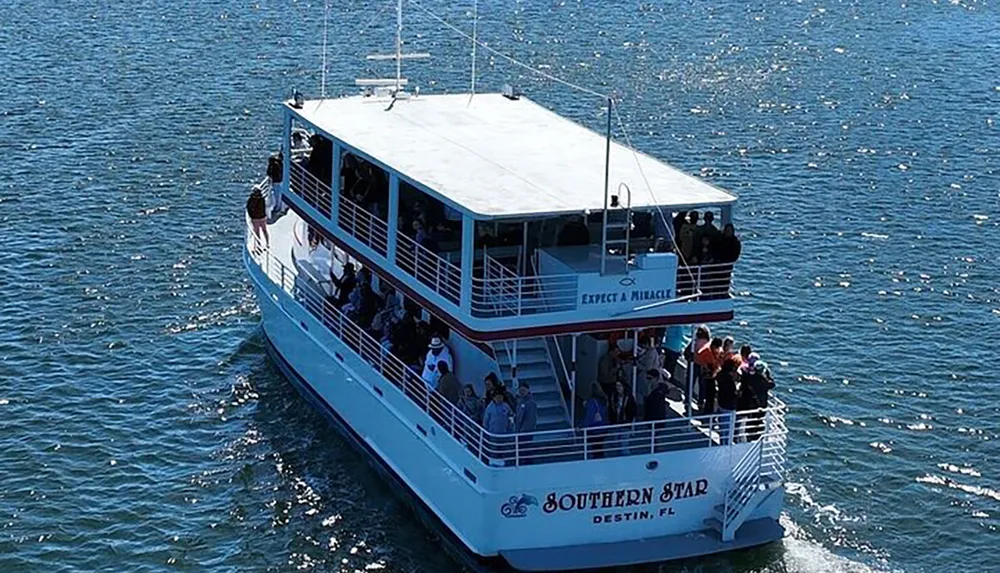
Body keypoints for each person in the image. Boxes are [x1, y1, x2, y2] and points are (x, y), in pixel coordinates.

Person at [695, 337, 723, 413]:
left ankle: (709, 409)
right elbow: (698, 357)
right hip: (707, 374)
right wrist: (705, 365)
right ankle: (707, 410)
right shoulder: (706, 350)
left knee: (711, 394)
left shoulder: (717, 351)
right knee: (708, 393)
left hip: (713, 372)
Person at [582, 383, 609, 458]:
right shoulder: (604, 400)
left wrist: (582, 427)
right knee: (599, 447)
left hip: (595, 429)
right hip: (603, 428)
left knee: (595, 449)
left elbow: (589, 417)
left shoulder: (592, 402)